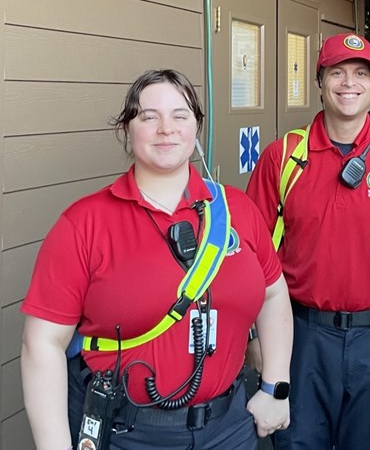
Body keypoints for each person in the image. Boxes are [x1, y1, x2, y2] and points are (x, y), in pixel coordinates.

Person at [21, 69, 293, 450]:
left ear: (196, 128)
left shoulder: (236, 210)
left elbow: (274, 293)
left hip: (228, 428)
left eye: (180, 116)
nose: (167, 128)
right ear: (128, 130)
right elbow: (43, 344)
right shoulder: (84, 223)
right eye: (149, 117)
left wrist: (275, 386)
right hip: (127, 434)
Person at [246, 32, 370, 450]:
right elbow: (249, 259)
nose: (348, 83)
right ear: (319, 81)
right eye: (337, 72)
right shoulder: (282, 159)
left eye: (360, 73)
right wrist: (254, 340)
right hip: (300, 338)